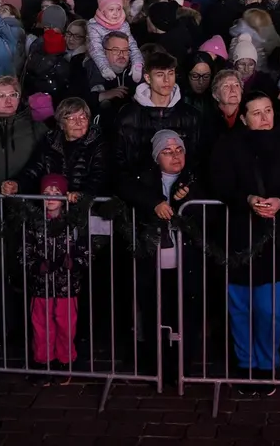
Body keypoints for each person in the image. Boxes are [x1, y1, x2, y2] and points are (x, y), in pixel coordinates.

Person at [210, 92, 280, 396]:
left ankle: (267, 365)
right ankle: (246, 365)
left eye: (268, 110)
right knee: (240, 306)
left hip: (275, 240)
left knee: (269, 309)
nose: (264, 117)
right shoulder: (228, 145)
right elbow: (220, 182)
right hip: (238, 236)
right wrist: (247, 200)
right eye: (256, 113)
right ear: (243, 117)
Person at [116, 130, 203, 386]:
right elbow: (123, 186)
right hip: (153, 262)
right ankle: (158, 369)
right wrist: (153, 201)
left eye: (179, 150)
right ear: (156, 157)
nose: (175, 156)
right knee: (155, 313)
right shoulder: (143, 179)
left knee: (186, 316)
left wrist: (189, 199)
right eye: (167, 152)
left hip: (186, 263)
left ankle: (183, 369)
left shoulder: (194, 178)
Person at [20, 174, 87, 385]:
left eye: (56, 194)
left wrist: (75, 263)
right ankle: (42, 363)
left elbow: (86, 251)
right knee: (40, 326)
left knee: (66, 326)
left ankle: (64, 362)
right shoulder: (33, 223)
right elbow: (24, 251)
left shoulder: (73, 223)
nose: (50, 198)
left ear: (65, 197)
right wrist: (35, 266)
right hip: (41, 288)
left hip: (67, 287)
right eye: (46, 193)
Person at [113, 50, 202, 182]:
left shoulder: (190, 115)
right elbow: (118, 160)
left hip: (180, 191)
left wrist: (185, 183)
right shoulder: (128, 115)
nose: (167, 80)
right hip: (138, 189)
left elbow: (196, 157)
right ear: (148, 78)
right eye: (160, 75)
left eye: (170, 73)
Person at [0, 76, 47, 189]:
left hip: (27, 198)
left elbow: (44, 164)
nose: (8, 101)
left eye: (13, 95)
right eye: (0, 96)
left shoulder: (37, 128)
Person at [87, 0, 144, 84]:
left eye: (118, 9)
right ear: (102, 10)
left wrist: (137, 64)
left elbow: (132, 45)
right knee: (91, 64)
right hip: (100, 64)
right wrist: (104, 67)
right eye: (111, 9)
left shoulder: (124, 25)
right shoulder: (94, 26)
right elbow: (95, 49)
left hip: (119, 62)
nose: (116, 13)